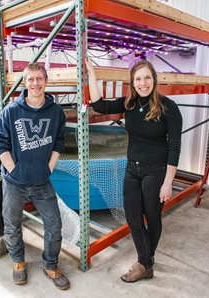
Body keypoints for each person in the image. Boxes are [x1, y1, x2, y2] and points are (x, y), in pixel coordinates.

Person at [86, 59, 183, 283]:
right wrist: (92, 73)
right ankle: (146, 262)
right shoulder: (129, 104)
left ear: (154, 80)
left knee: (152, 217)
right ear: (132, 82)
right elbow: (99, 105)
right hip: (132, 170)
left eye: (147, 77)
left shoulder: (169, 107)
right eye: (138, 79)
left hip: (156, 172)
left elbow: (175, 147)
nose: (143, 83)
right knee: (133, 219)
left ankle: (144, 262)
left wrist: (168, 182)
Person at [0, 63, 69, 290]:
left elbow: (58, 143)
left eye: (39, 79)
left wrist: (49, 167)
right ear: (24, 83)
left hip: (41, 181)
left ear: (46, 81)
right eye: (31, 79)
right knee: (12, 224)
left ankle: (50, 264)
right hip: (14, 182)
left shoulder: (56, 112)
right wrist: (13, 169)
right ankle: (18, 262)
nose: (35, 83)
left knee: (55, 225)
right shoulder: (11, 111)